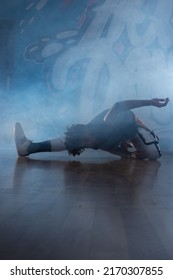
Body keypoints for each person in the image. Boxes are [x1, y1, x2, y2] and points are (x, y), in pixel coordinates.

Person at [14, 97, 169, 160]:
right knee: (69, 141)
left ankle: (145, 140)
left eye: (87, 140)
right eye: (86, 144)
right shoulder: (91, 141)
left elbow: (119, 105)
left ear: (87, 133)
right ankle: (27, 147)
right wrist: (127, 154)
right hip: (120, 135)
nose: (89, 144)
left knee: (154, 154)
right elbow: (109, 147)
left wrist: (150, 102)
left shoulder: (106, 123)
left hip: (133, 126)